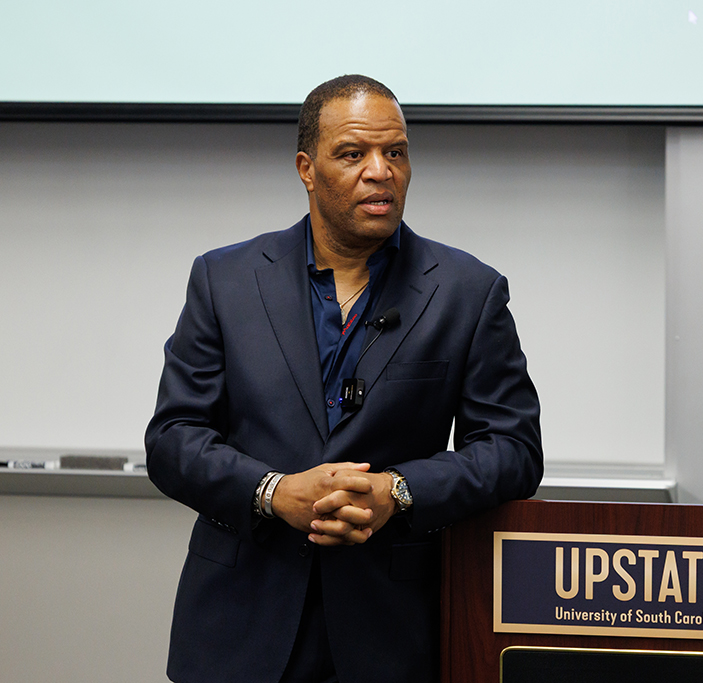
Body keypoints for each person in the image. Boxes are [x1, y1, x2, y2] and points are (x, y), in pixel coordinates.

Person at [145, 75, 543, 683]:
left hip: (392, 634)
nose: (381, 171)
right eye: (353, 154)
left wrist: (399, 492)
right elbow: (173, 439)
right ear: (307, 168)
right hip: (239, 628)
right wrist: (274, 492)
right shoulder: (224, 280)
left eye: (396, 153)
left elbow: (514, 451)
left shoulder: (468, 291)